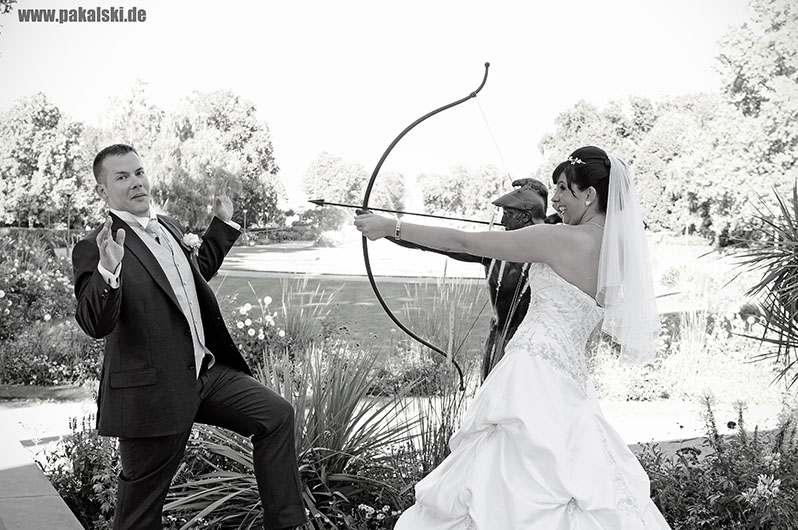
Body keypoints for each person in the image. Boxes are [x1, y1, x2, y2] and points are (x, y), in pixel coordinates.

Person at [355, 146, 670, 529]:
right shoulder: (615, 252)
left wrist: (391, 227)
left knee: (495, 481)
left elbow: (465, 243)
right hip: (571, 385)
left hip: (531, 374)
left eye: (564, 189)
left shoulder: (558, 239)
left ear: (589, 195)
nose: (556, 198)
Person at [72, 144, 307, 530]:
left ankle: (284, 525)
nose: (136, 182)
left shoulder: (169, 227)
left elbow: (191, 276)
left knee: (276, 415)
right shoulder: (95, 247)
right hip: (151, 392)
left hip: (206, 374)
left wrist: (221, 225)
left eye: (139, 172)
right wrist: (108, 271)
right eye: (122, 177)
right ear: (103, 190)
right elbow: (94, 322)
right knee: (138, 514)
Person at [387, 178, 553, 381]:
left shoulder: (554, 246)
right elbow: (436, 244)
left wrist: (541, 193)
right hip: (500, 343)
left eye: (508, 214)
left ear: (525, 216)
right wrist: (388, 230)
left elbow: (571, 220)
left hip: (538, 348)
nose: (502, 221)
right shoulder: (494, 249)